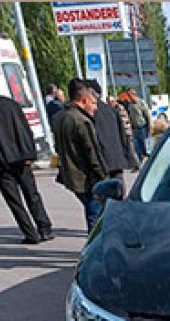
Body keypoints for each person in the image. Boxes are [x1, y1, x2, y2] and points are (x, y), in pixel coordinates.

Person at [0, 70, 54, 243]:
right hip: (22, 158)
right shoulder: (10, 104)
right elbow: (25, 130)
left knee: (14, 200)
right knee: (32, 194)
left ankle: (31, 234)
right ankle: (45, 229)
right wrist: (29, 153)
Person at [53, 78, 108, 232]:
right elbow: (93, 155)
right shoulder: (82, 121)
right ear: (84, 100)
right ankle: (96, 250)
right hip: (86, 179)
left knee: (93, 212)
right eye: (93, 103)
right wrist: (104, 178)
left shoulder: (60, 117)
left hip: (71, 176)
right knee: (95, 216)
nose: (96, 108)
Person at [88, 80, 134, 176]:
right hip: (117, 160)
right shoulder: (112, 110)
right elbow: (123, 136)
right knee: (118, 188)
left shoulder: (90, 114)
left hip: (102, 164)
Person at [112, 91, 140, 170]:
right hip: (127, 131)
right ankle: (134, 164)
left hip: (126, 132)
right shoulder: (122, 107)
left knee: (130, 148)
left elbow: (122, 121)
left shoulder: (119, 108)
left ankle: (137, 164)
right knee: (130, 148)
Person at [125, 88, 150, 160]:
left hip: (142, 128)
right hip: (134, 129)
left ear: (134, 95)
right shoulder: (129, 105)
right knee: (137, 147)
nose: (129, 97)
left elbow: (147, 115)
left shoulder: (141, 103)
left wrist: (149, 128)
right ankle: (140, 162)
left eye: (130, 95)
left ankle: (148, 161)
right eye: (128, 96)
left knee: (145, 147)